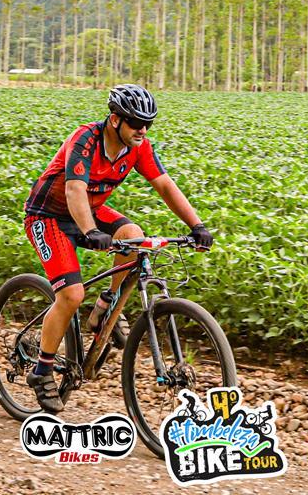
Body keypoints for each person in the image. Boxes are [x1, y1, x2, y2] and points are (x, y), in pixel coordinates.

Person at [22, 83, 214, 413]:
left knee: (133, 236)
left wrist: (196, 226)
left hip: (90, 211)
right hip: (49, 216)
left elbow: (165, 185)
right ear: (115, 120)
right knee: (71, 295)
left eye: (148, 124)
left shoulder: (138, 147)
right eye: (136, 123)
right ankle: (42, 370)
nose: (143, 130)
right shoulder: (85, 140)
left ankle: (106, 306)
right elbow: (74, 191)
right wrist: (90, 231)